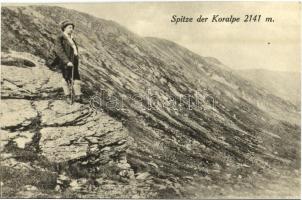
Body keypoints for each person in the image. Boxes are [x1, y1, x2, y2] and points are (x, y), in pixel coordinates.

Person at [55, 19, 82, 103]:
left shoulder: (71, 38)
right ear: (64, 28)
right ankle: (67, 96)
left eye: (72, 28)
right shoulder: (60, 38)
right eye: (70, 27)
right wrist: (67, 61)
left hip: (74, 61)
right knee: (66, 77)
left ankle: (78, 96)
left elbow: (73, 50)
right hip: (65, 62)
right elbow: (59, 50)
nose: (72, 29)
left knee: (76, 77)